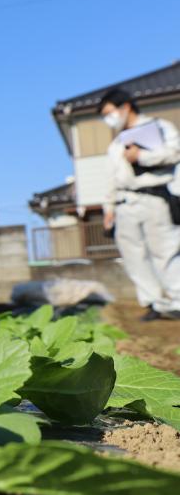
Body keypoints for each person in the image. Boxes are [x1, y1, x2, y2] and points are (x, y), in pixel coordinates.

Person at [99, 88, 180, 321]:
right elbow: (111, 178)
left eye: (109, 112)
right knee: (133, 255)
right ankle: (154, 301)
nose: (108, 119)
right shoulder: (115, 144)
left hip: (155, 197)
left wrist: (142, 157)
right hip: (125, 202)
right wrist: (109, 208)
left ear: (125, 107)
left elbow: (174, 152)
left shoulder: (160, 126)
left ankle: (177, 300)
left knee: (165, 250)